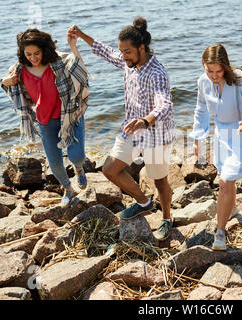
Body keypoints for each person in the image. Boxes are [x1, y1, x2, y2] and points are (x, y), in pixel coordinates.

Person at [69, 17, 176, 241]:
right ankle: (144, 202)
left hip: (156, 134)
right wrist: (82, 35)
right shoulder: (130, 63)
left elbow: (164, 105)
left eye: (127, 51)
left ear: (142, 48)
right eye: (122, 51)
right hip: (132, 130)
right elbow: (106, 52)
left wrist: (146, 120)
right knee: (109, 169)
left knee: (159, 180)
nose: (123, 55)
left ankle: (167, 218)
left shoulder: (156, 72)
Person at [190, 43, 242, 251]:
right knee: (226, 180)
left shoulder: (238, 79)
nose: (215, 76)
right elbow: (201, 110)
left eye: (219, 71)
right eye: (210, 71)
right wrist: (198, 139)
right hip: (221, 135)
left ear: (226, 67)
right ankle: (230, 208)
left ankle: (220, 232)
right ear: (203, 66)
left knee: (226, 181)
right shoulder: (202, 81)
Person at [1, 28, 89, 208]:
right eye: (28, 54)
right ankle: (68, 189)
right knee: (55, 164)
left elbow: (80, 69)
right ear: (22, 53)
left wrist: (73, 46)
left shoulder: (58, 62)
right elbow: (7, 83)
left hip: (70, 115)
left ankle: (79, 169)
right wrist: (5, 82)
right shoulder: (19, 70)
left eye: (37, 53)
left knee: (77, 156)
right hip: (45, 120)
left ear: (44, 49)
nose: (33, 57)